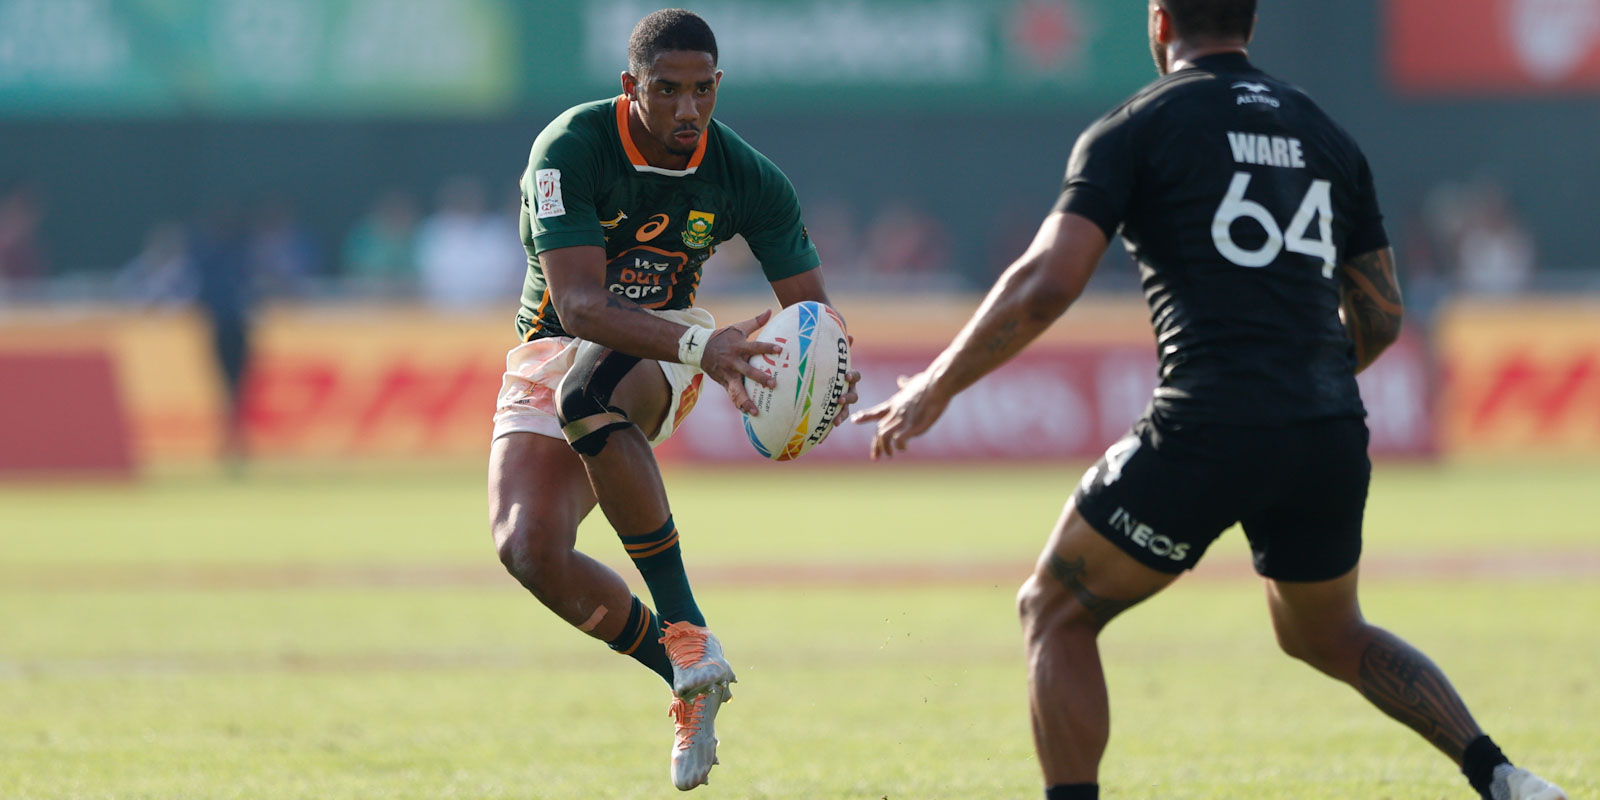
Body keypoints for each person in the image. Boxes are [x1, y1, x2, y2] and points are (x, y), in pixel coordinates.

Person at [853, 3, 1569, 800]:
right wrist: (1308, 389)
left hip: (1207, 421)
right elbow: (1382, 316)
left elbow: (1049, 281)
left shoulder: (1135, 126)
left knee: (1054, 610)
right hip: (1327, 428)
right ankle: (1500, 774)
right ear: (1250, 21)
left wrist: (937, 383)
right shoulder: (1323, 132)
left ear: (1159, 22)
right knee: (1329, 633)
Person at [489, 8, 858, 791]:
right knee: (528, 550)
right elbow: (582, 306)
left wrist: (828, 369)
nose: (688, 110)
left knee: (591, 395)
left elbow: (813, 313)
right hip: (559, 339)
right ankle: (686, 679)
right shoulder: (570, 148)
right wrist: (709, 349)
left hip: (665, 341)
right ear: (632, 87)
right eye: (667, 90)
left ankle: (687, 629)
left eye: (702, 91)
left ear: (718, 86)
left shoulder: (749, 177)